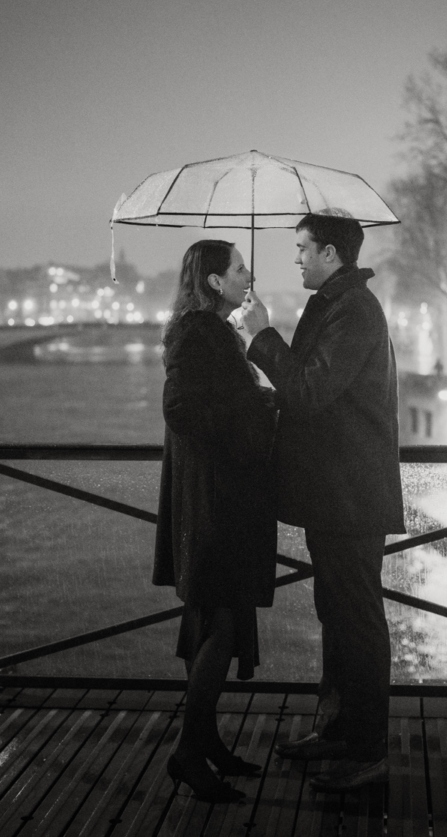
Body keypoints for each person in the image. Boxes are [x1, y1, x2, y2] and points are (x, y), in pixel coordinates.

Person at [239, 211, 405, 793]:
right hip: (336, 490)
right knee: (337, 615)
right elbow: (308, 385)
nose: (298, 259)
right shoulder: (334, 304)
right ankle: (337, 730)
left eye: (304, 249)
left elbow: (309, 390)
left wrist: (260, 336)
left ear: (332, 253)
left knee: (357, 620)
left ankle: (368, 750)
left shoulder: (353, 310)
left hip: (352, 493)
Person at [152, 238, 277, 803]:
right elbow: (181, 410)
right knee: (221, 625)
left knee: (215, 622)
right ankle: (186, 751)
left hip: (218, 500)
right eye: (240, 268)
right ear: (213, 281)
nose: (249, 274)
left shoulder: (213, 330)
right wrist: (256, 404)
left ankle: (206, 743)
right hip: (215, 505)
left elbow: (216, 398)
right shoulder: (199, 333)